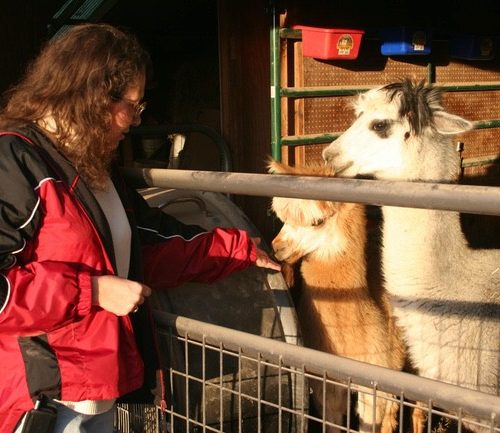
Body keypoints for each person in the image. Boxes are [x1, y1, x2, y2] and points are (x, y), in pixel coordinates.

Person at [0, 23, 280, 433]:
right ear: (91, 97)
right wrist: (92, 290)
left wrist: (235, 247)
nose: (134, 121)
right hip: (44, 400)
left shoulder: (93, 165)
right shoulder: (16, 162)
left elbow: (144, 247)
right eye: (131, 105)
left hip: (99, 393)